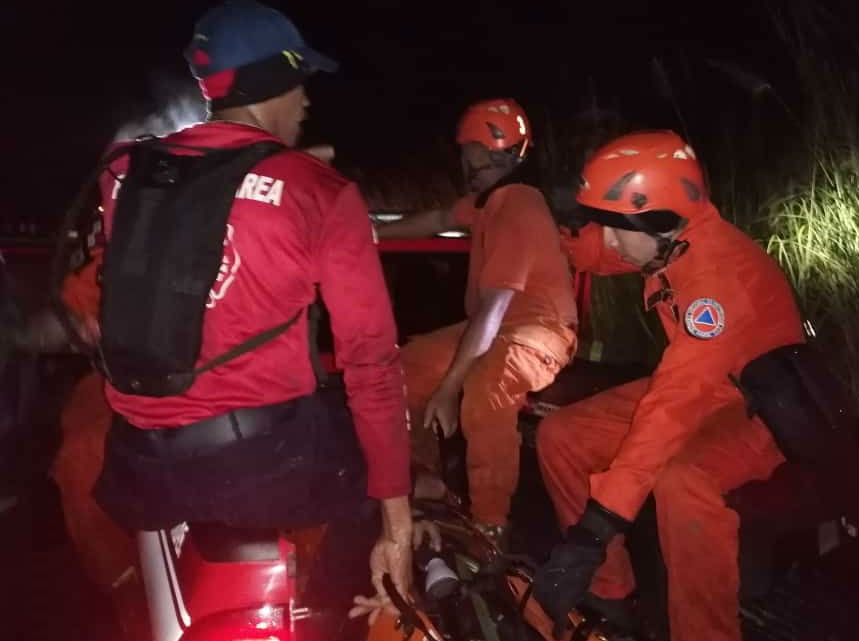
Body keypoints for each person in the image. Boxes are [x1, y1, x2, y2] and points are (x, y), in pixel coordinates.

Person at [54, 1, 413, 636]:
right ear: (274, 80)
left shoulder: (125, 171)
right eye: (300, 82)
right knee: (367, 477)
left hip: (142, 461)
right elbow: (371, 363)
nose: (305, 100)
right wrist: (397, 523)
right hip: (266, 466)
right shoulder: (320, 192)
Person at [532, 130, 805, 641]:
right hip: (701, 384)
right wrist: (546, 227)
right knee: (561, 437)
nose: (609, 239)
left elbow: (672, 409)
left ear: (656, 220)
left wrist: (596, 526)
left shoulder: (718, 282)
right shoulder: (667, 239)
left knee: (683, 482)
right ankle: (611, 596)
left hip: (757, 408)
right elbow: (600, 249)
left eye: (617, 227)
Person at [376, 98, 578, 544]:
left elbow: (492, 310)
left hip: (540, 331)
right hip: (500, 327)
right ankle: (425, 478)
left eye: (473, 151)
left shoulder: (519, 205)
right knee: (403, 369)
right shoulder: (488, 202)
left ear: (478, 152)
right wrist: (371, 234)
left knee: (486, 385)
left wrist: (450, 388)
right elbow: (436, 218)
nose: (471, 160)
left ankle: (491, 523)